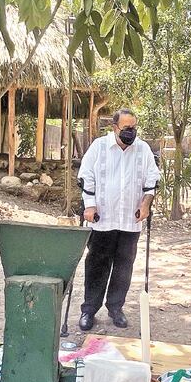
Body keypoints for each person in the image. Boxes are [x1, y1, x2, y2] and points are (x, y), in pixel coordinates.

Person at [77, 108, 160, 331]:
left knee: (124, 265)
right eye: (126, 128)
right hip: (103, 218)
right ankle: (89, 310)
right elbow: (86, 176)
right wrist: (90, 205)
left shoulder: (142, 149)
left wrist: (146, 203)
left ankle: (116, 307)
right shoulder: (99, 146)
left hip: (129, 219)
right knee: (97, 264)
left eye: (134, 128)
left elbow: (152, 178)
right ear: (115, 128)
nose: (131, 132)